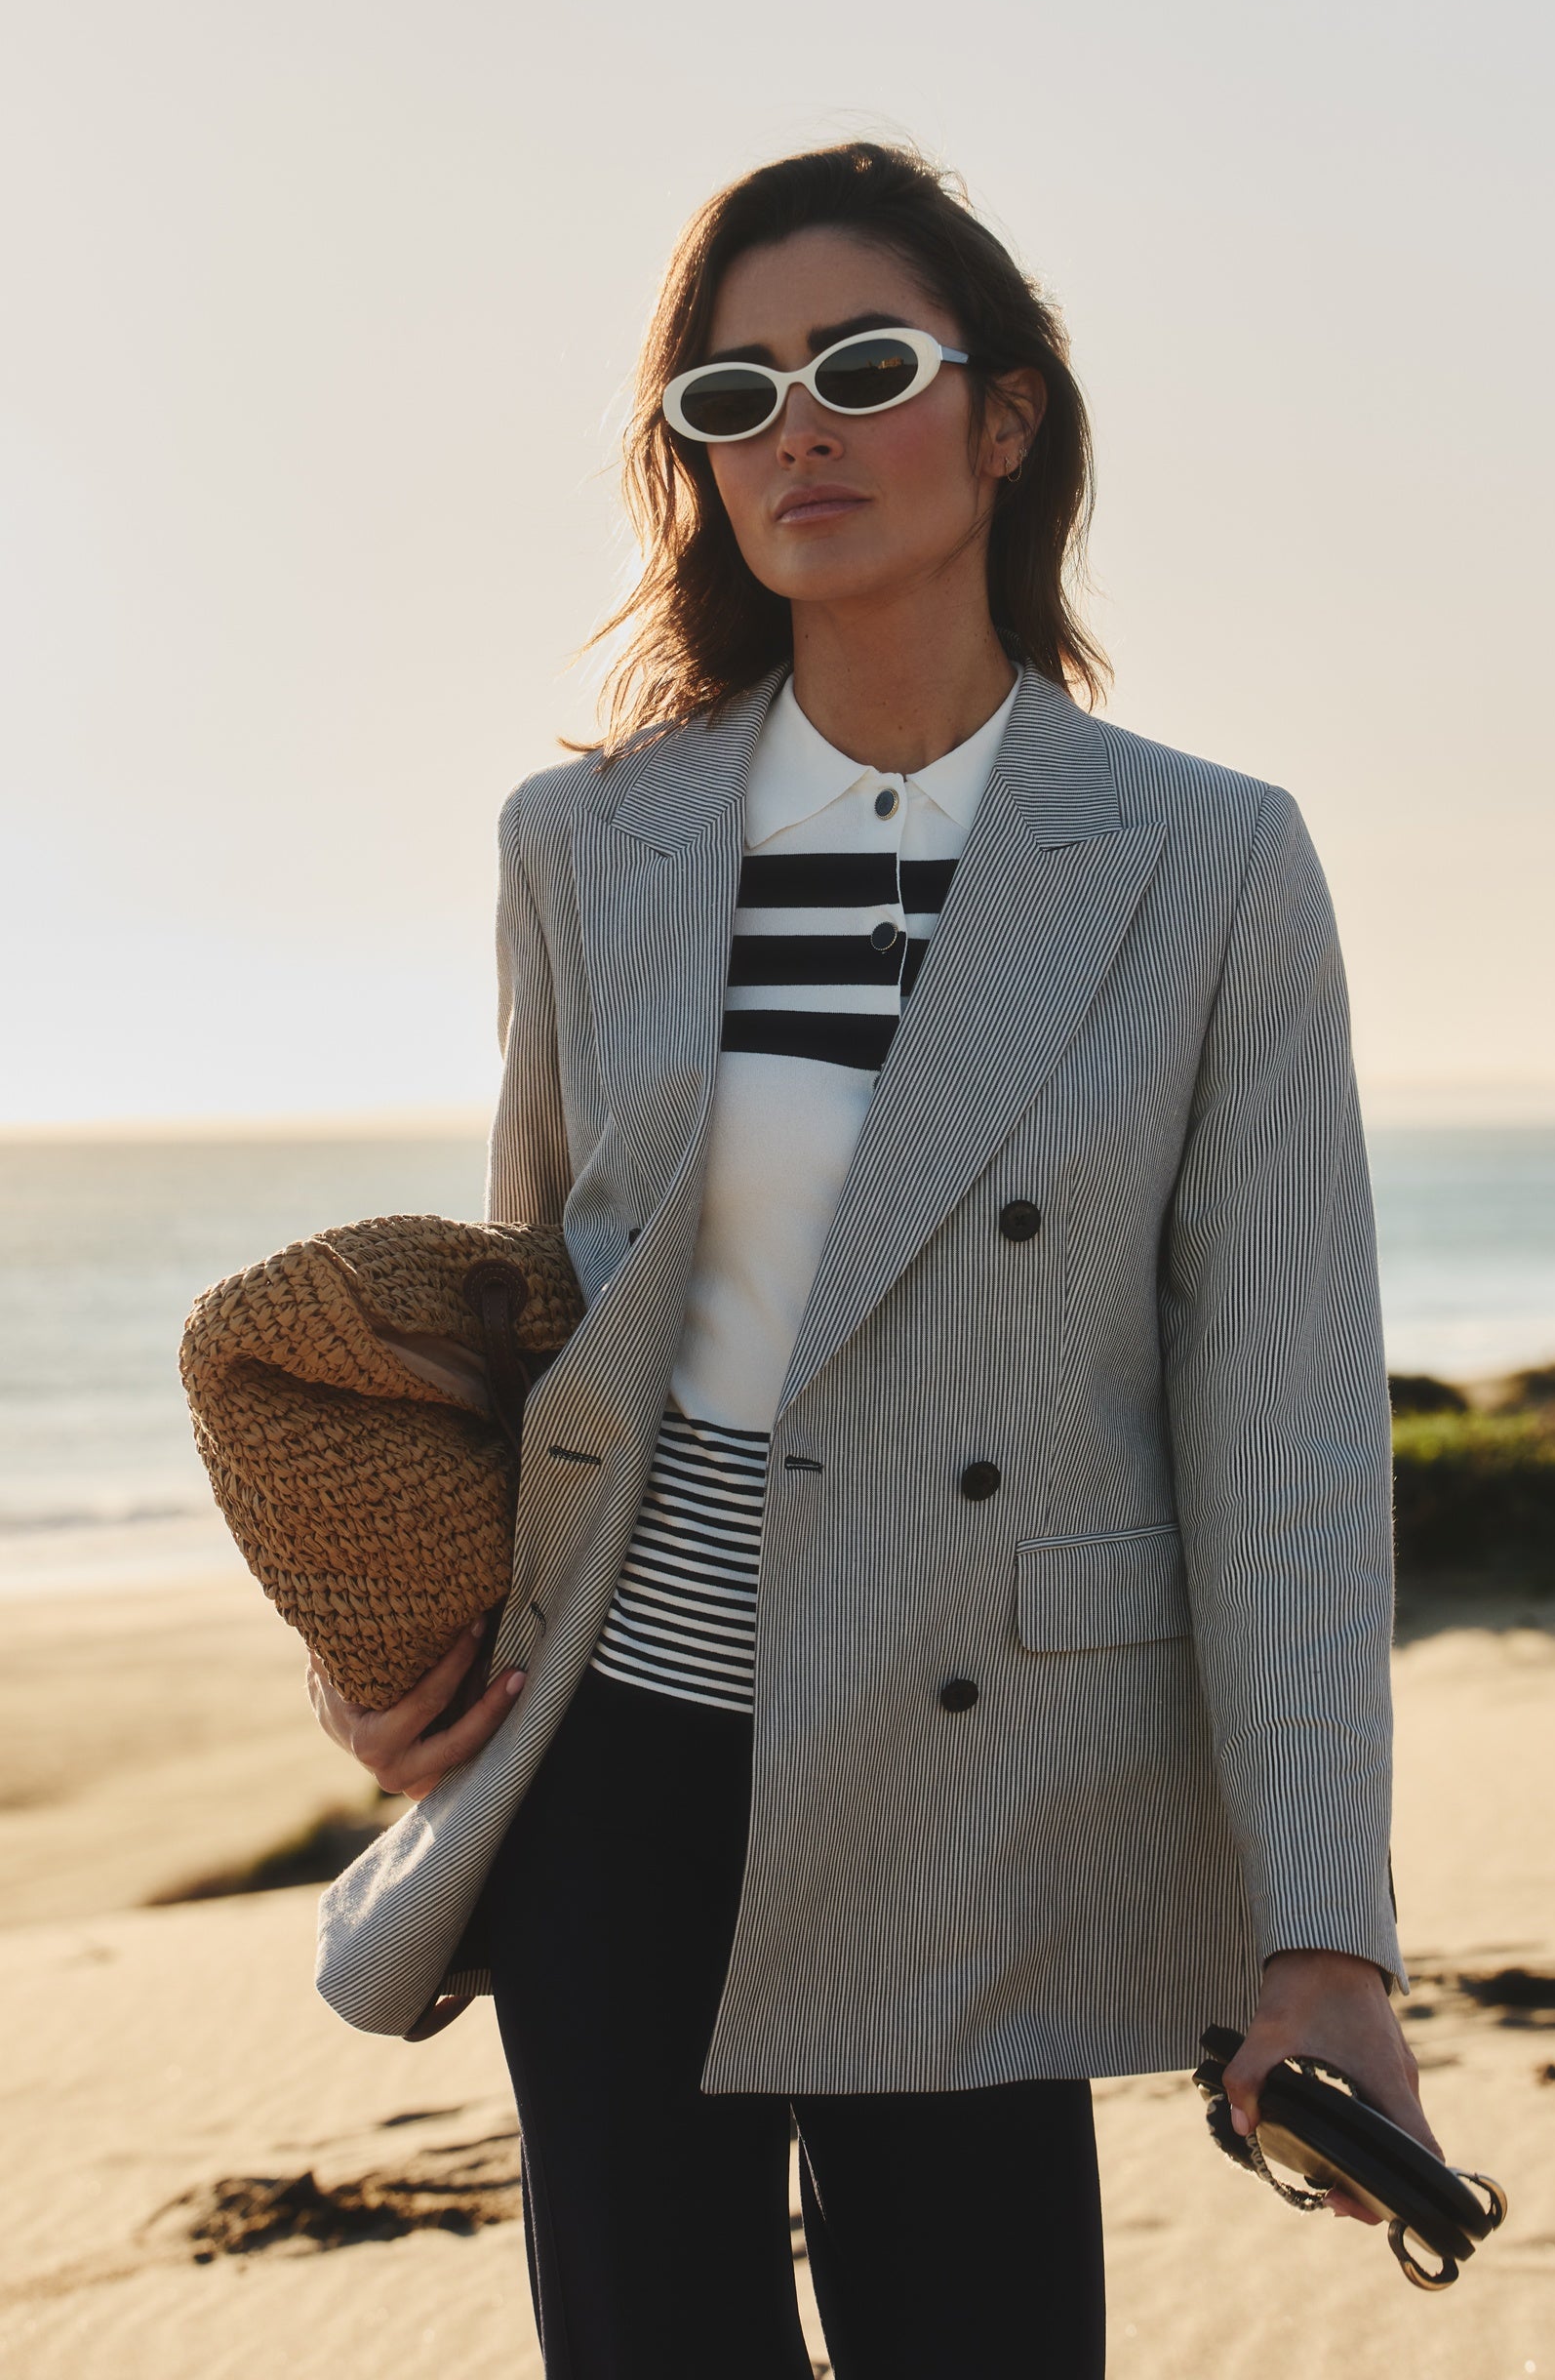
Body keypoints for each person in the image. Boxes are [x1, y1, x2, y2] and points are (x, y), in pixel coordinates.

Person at [308, 141, 1439, 2378]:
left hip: (976, 1752)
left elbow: (1286, 1423)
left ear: (1006, 417)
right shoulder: (587, 842)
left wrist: (1329, 1933)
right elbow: (537, 1320)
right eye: (733, 394)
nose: (796, 428)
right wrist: (384, 1644)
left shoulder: (1208, 859)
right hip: (615, 1749)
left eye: (859, 366)